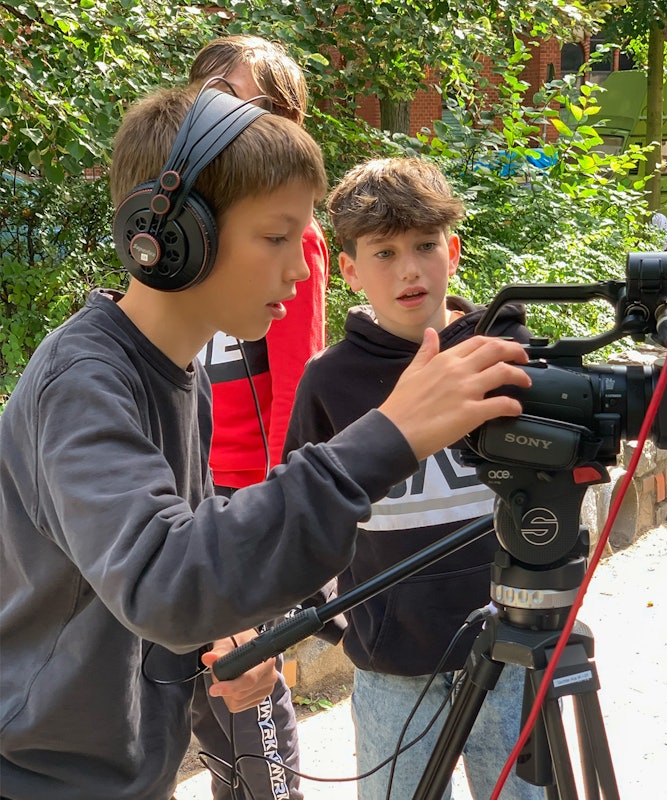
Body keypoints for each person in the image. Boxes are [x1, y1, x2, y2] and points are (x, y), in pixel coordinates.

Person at [0, 86, 531, 800]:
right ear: (176, 237)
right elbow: (165, 580)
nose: (302, 268)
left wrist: (210, 639)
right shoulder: (84, 382)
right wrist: (389, 435)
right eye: (277, 237)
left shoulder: (176, 375)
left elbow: (135, 579)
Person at [283, 158, 543, 800]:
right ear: (347, 269)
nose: (409, 269)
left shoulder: (504, 352)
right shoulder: (328, 381)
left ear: (452, 251)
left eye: (426, 245)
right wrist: (329, 619)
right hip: (391, 665)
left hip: (512, 650)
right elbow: (305, 509)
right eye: (385, 251)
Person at [188, 34, 329, 800]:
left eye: (249, 99)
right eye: (215, 92)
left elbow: (298, 386)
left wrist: (279, 512)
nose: (228, 111)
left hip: (247, 500)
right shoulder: (179, 229)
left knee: (248, 702)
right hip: (180, 499)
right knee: (200, 703)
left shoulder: (290, 233)